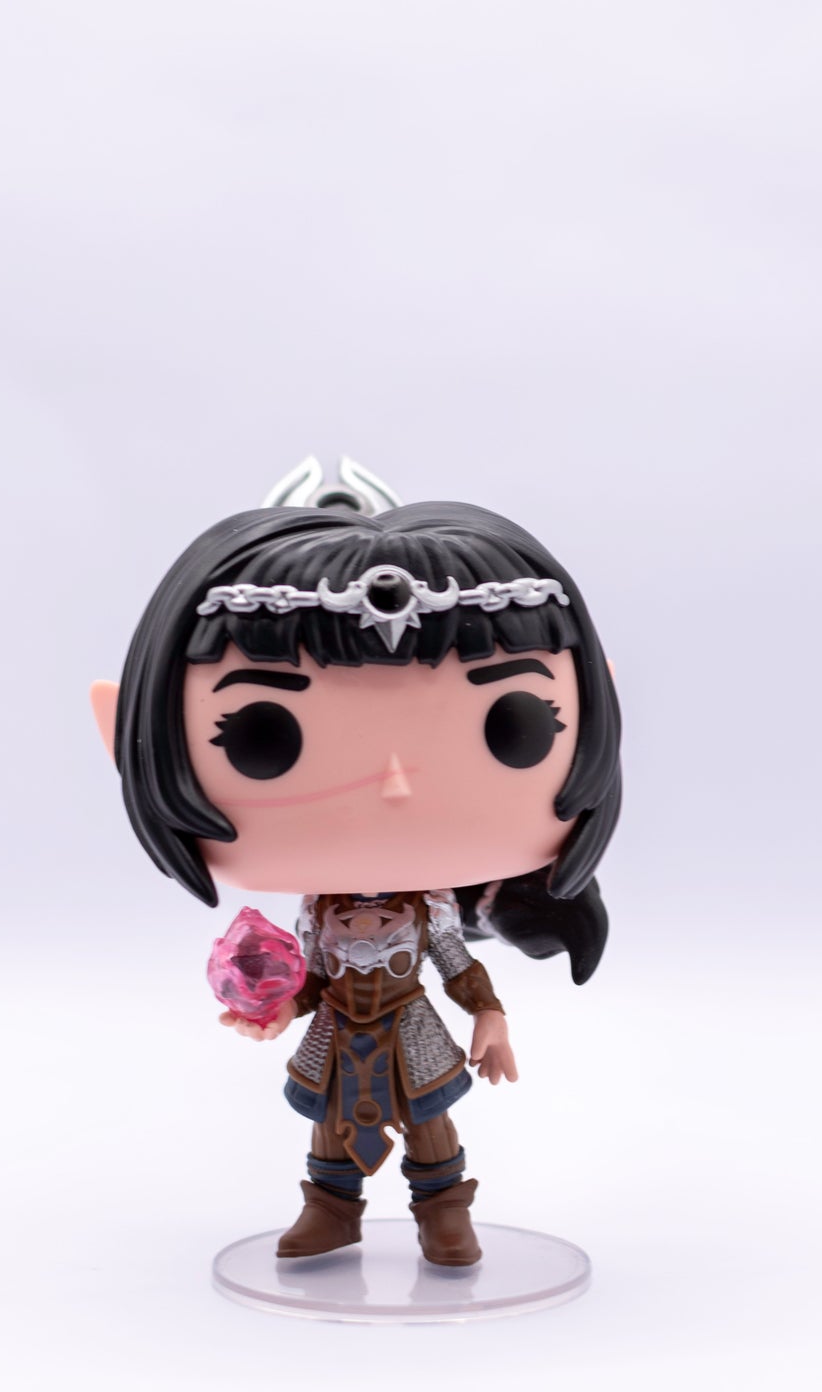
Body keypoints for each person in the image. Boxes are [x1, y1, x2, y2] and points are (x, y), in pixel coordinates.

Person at [89, 483, 621, 1266]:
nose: (393, 785)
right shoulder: (318, 911)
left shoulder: (429, 908)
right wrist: (279, 1008)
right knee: (331, 1123)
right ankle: (331, 1210)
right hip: (339, 1027)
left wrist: (490, 1016)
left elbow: (455, 963)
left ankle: (444, 1213)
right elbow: (309, 974)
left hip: (410, 1023)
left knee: (429, 1121)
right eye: (261, 734)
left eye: (517, 724)